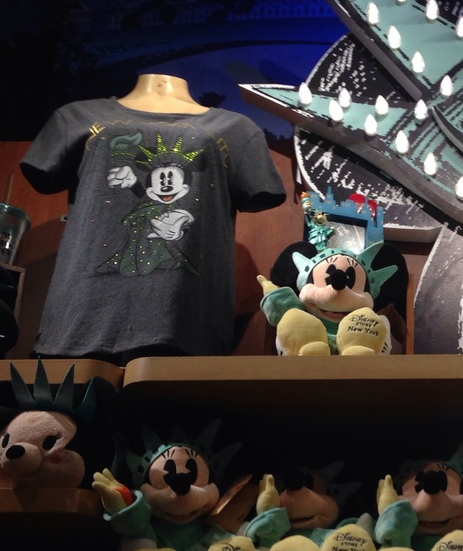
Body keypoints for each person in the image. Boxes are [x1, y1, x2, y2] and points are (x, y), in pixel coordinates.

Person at [21, 74, 285, 363]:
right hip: (80, 316)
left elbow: (249, 193)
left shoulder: (236, 129)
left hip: (184, 321)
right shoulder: (76, 117)